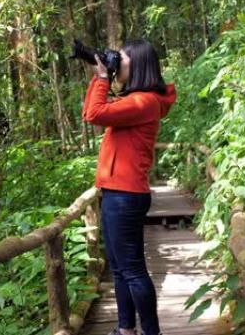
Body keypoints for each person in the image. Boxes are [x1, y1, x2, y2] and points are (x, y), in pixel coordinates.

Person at [82, 39, 176, 335]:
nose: (116, 63)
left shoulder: (144, 102)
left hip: (125, 196)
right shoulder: (136, 101)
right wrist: (101, 76)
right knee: (121, 269)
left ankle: (151, 332)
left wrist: (101, 78)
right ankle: (126, 329)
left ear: (137, 64)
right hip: (117, 193)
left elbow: (95, 115)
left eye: (120, 58)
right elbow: (91, 112)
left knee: (133, 270)